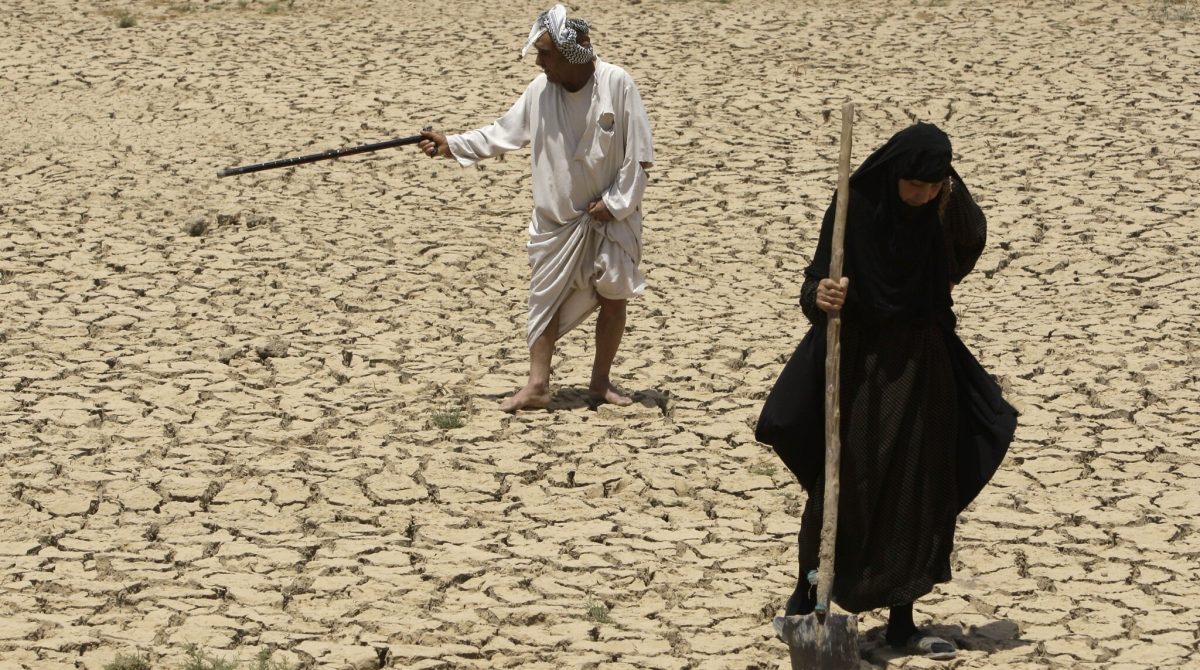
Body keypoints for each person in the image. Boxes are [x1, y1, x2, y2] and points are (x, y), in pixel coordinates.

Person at [755, 123, 1017, 660]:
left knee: (918, 488)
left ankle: (903, 621)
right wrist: (823, 295)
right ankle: (809, 599)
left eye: (932, 185)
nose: (920, 194)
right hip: (859, 363)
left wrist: (948, 201)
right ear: (894, 174)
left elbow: (970, 242)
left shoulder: (945, 207)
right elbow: (813, 282)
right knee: (843, 482)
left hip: (925, 365)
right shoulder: (855, 205)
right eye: (912, 185)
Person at [417, 4, 654, 412]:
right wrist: (451, 145)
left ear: (569, 55)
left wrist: (615, 204)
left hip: (610, 219)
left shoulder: (617, 84)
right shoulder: (540, 93)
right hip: (555, 223)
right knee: (543, 302)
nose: (539, 62)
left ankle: (600, 382)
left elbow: (640, 156)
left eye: (545, 54)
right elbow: (501, 134)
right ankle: (538, 385)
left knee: (614, 296)